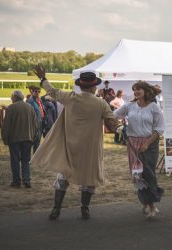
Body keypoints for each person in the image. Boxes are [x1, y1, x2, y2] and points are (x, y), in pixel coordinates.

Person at [30, 65, 118, 220]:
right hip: (90, 149)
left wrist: (43, 78)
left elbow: (52, 91)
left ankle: (56, 209)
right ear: (94, 87)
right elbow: (112, 124)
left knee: (63, 176)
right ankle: (85, 209)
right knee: (89, 178)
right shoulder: (101, 103)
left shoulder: (70, 98)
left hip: (70, 146)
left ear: (81, 85)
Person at [114, 81, 165, 218]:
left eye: (138, 89)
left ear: (145, 91)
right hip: (133, 144)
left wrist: (147, 143)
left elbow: (159, 128)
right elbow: (113, 115)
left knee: (148, 174)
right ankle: (145, 202)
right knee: (137, 175)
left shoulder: (154, 107)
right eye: (134, 90)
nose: (136, 92)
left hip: (149, 143)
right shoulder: (129, 106)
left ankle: (152, 205)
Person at [1, 90, 38, 188]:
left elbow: (6, 125)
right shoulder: (30, 107)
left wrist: (5, 138)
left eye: (11, 97)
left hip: (15, 139)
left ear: (15, 97)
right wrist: (33, 136)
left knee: (15, 160)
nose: (11, 98)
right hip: (28, 138)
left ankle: (16, 181)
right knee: (26, 160)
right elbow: (35, 124)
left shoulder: (11, 108)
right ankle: (26, 180)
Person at [27, 85, 45, 153]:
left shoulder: (39, 100)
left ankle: (35, 158)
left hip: (40, 123)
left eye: (39, 91)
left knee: (37, 142)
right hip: (34, 124)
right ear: (31, 92)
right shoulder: (30, 101)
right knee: (32, 141)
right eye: (36, 91)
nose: (38, 93)